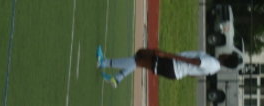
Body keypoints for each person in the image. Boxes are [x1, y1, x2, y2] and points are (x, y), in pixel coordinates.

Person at [96, 46, 241, 88]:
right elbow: (194, 74)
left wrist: (167, 55)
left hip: (172, 65)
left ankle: (104, 63)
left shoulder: (213, 63)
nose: (226, 53)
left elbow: (193, 62)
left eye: (228, 54)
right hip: (174, 70)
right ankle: (117, 78)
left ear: (227, 58)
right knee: (140, 56)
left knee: (140, 59)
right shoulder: (215, 67)